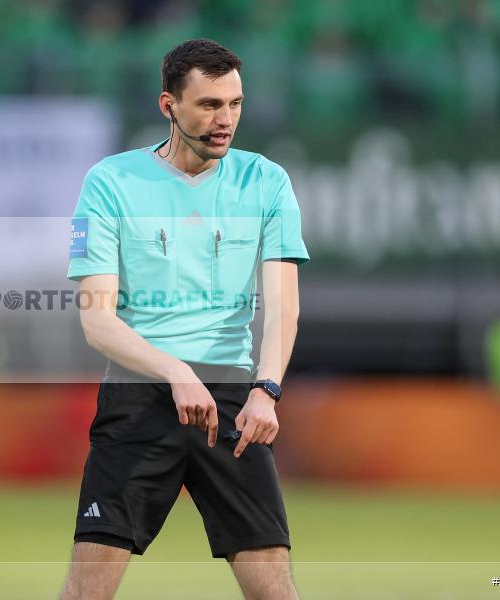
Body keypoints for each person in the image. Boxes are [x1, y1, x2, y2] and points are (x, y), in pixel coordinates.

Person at [60, 39, 309, 600]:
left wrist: (267, 389)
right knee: (87, 591)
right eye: (208, 105)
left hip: (231, 405)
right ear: (168, 106)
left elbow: (284, 303)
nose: (225, 121)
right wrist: (174, 371)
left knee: (275, 591)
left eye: (235, 104)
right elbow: (97, 322)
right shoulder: (111, 183)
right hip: (139, 397)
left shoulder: (266, 182)